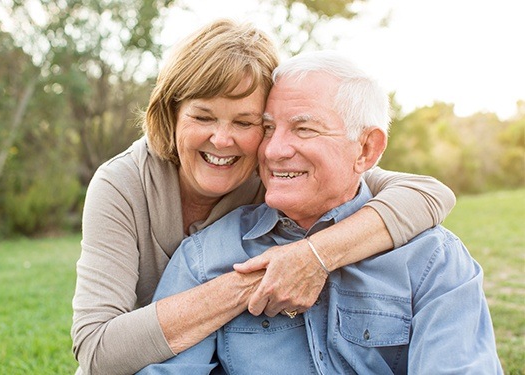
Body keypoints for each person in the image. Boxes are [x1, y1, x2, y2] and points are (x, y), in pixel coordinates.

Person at [71, 19, 457, 374]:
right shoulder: (123, 183)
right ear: (171, 115)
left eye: (246, 122)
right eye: (203, 117)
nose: (222, 140)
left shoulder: (275, 169)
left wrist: (313, 256)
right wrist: (258, 279)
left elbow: (427, 193)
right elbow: (96, 351)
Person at [137, 50, 502, 374]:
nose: (273, 150)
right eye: (267, 128)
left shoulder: (432, 261)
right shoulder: (204, 258)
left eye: (304, 128)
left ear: (366, 150)